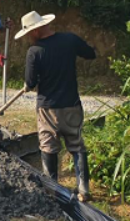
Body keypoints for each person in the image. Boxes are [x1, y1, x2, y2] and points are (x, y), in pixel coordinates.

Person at [16, 11, 96, 202]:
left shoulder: (34, 52)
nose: (28, 36)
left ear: (36, 31)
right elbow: (90, 53)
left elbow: (30, 81)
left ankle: (52, 191)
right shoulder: (69, 40)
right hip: (71, 105)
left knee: (48, 146)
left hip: (48, 109)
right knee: (76, 145)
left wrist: (28, 84)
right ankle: (84, 189)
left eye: (29, 33)